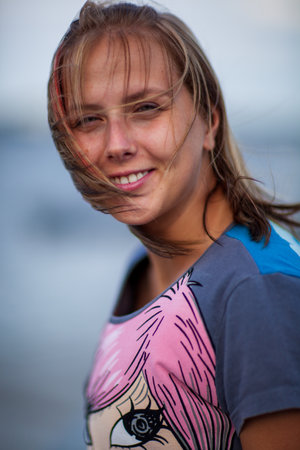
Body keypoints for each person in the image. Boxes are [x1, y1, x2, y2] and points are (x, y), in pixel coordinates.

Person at [47, 1, 300, 448]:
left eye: (146, 107)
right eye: (89, 119)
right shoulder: (146, 265)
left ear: (210, 122)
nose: (116, 145)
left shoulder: (252, 291)